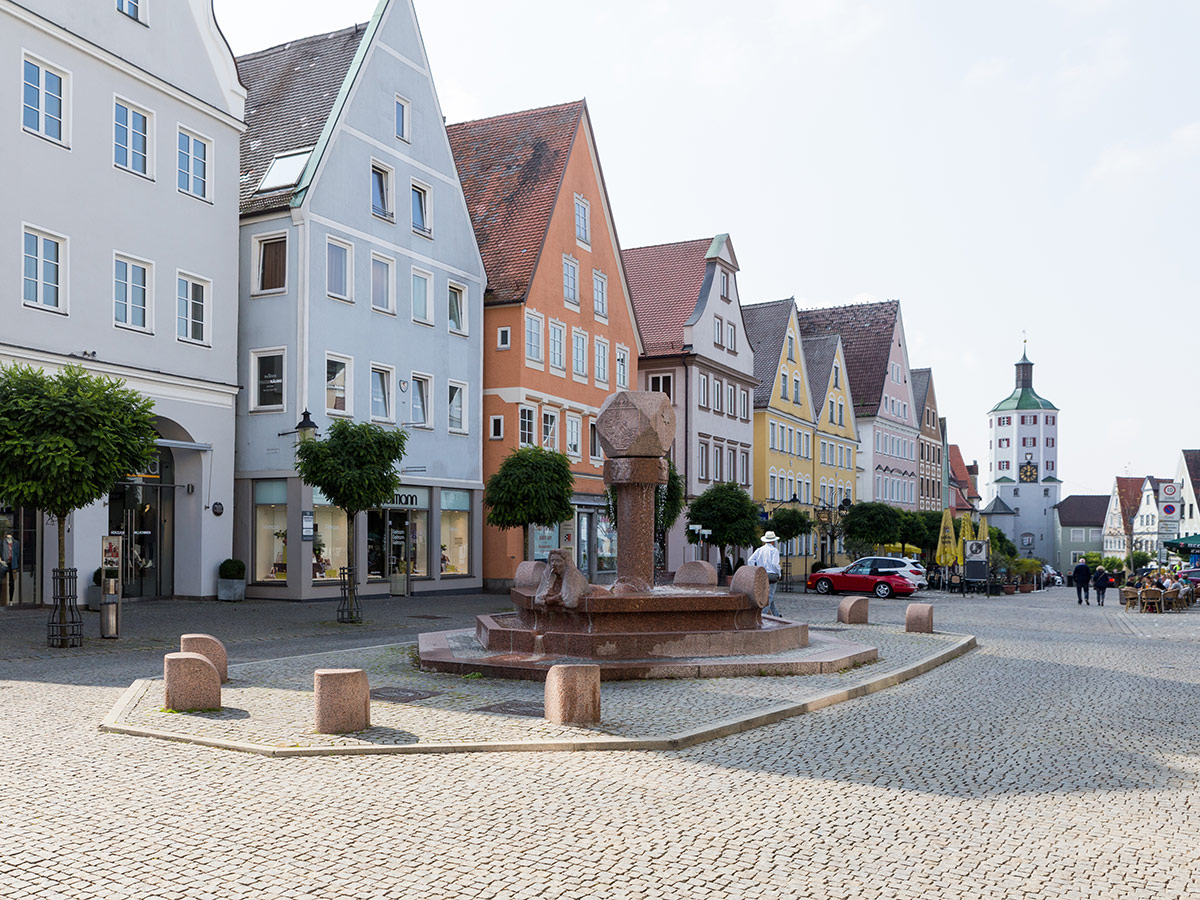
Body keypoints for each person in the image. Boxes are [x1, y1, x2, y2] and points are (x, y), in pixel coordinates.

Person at [748, 530, 782, 617]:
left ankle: (776, 615)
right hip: (771, 576)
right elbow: (775, 564)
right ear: (773, 541)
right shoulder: (774, 551)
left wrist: (755, 570)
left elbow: (750, 560)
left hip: (762, 574)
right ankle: (762, 615)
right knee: (769, 596)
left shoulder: (759, 550)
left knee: (768, 595)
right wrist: (779, 573)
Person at [0, 532, 18, 604]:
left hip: (12, 564)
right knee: (0, 581)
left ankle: (11, 600)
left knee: (12, 582)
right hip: (3, 563)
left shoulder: (16, 543)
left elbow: (17, 554)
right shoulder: (2, 543)